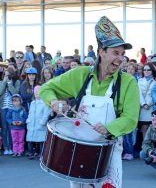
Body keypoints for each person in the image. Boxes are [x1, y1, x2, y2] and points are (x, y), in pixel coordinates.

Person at [39, 16, 140, 188]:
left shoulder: (128, 82)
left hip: (109, 151)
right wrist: (54, 101)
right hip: (78, 149)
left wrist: (109, 128)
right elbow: (45, 89)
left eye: (122, 54)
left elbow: (130, 118)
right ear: (101, 51)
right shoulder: (80, 74)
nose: (121, 59)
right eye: (116, 53)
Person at [26, 85, 51, 159]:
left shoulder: (44, 103)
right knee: (30, 140)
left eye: (39, 93)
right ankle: (31, 153)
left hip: (40, 124)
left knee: (41, 141)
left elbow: (46, 113)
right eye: (36, 93)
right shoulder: (32, 103)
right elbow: (30, 113)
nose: (37, 95)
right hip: (31, 124)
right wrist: (28, 120)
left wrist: (43, 122)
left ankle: (41, 154)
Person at [0, 67, 20, 155]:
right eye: (5, 74)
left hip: (12, 108)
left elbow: (15, 93)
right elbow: (0, 92)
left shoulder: (16, 82)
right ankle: (6, 147)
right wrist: (4, 82)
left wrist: (9, 83)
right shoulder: (1, 82)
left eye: (8, 74)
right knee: (4, 128)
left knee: (11, 128)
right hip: (3, 108)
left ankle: (12, 147)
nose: (6, 76)